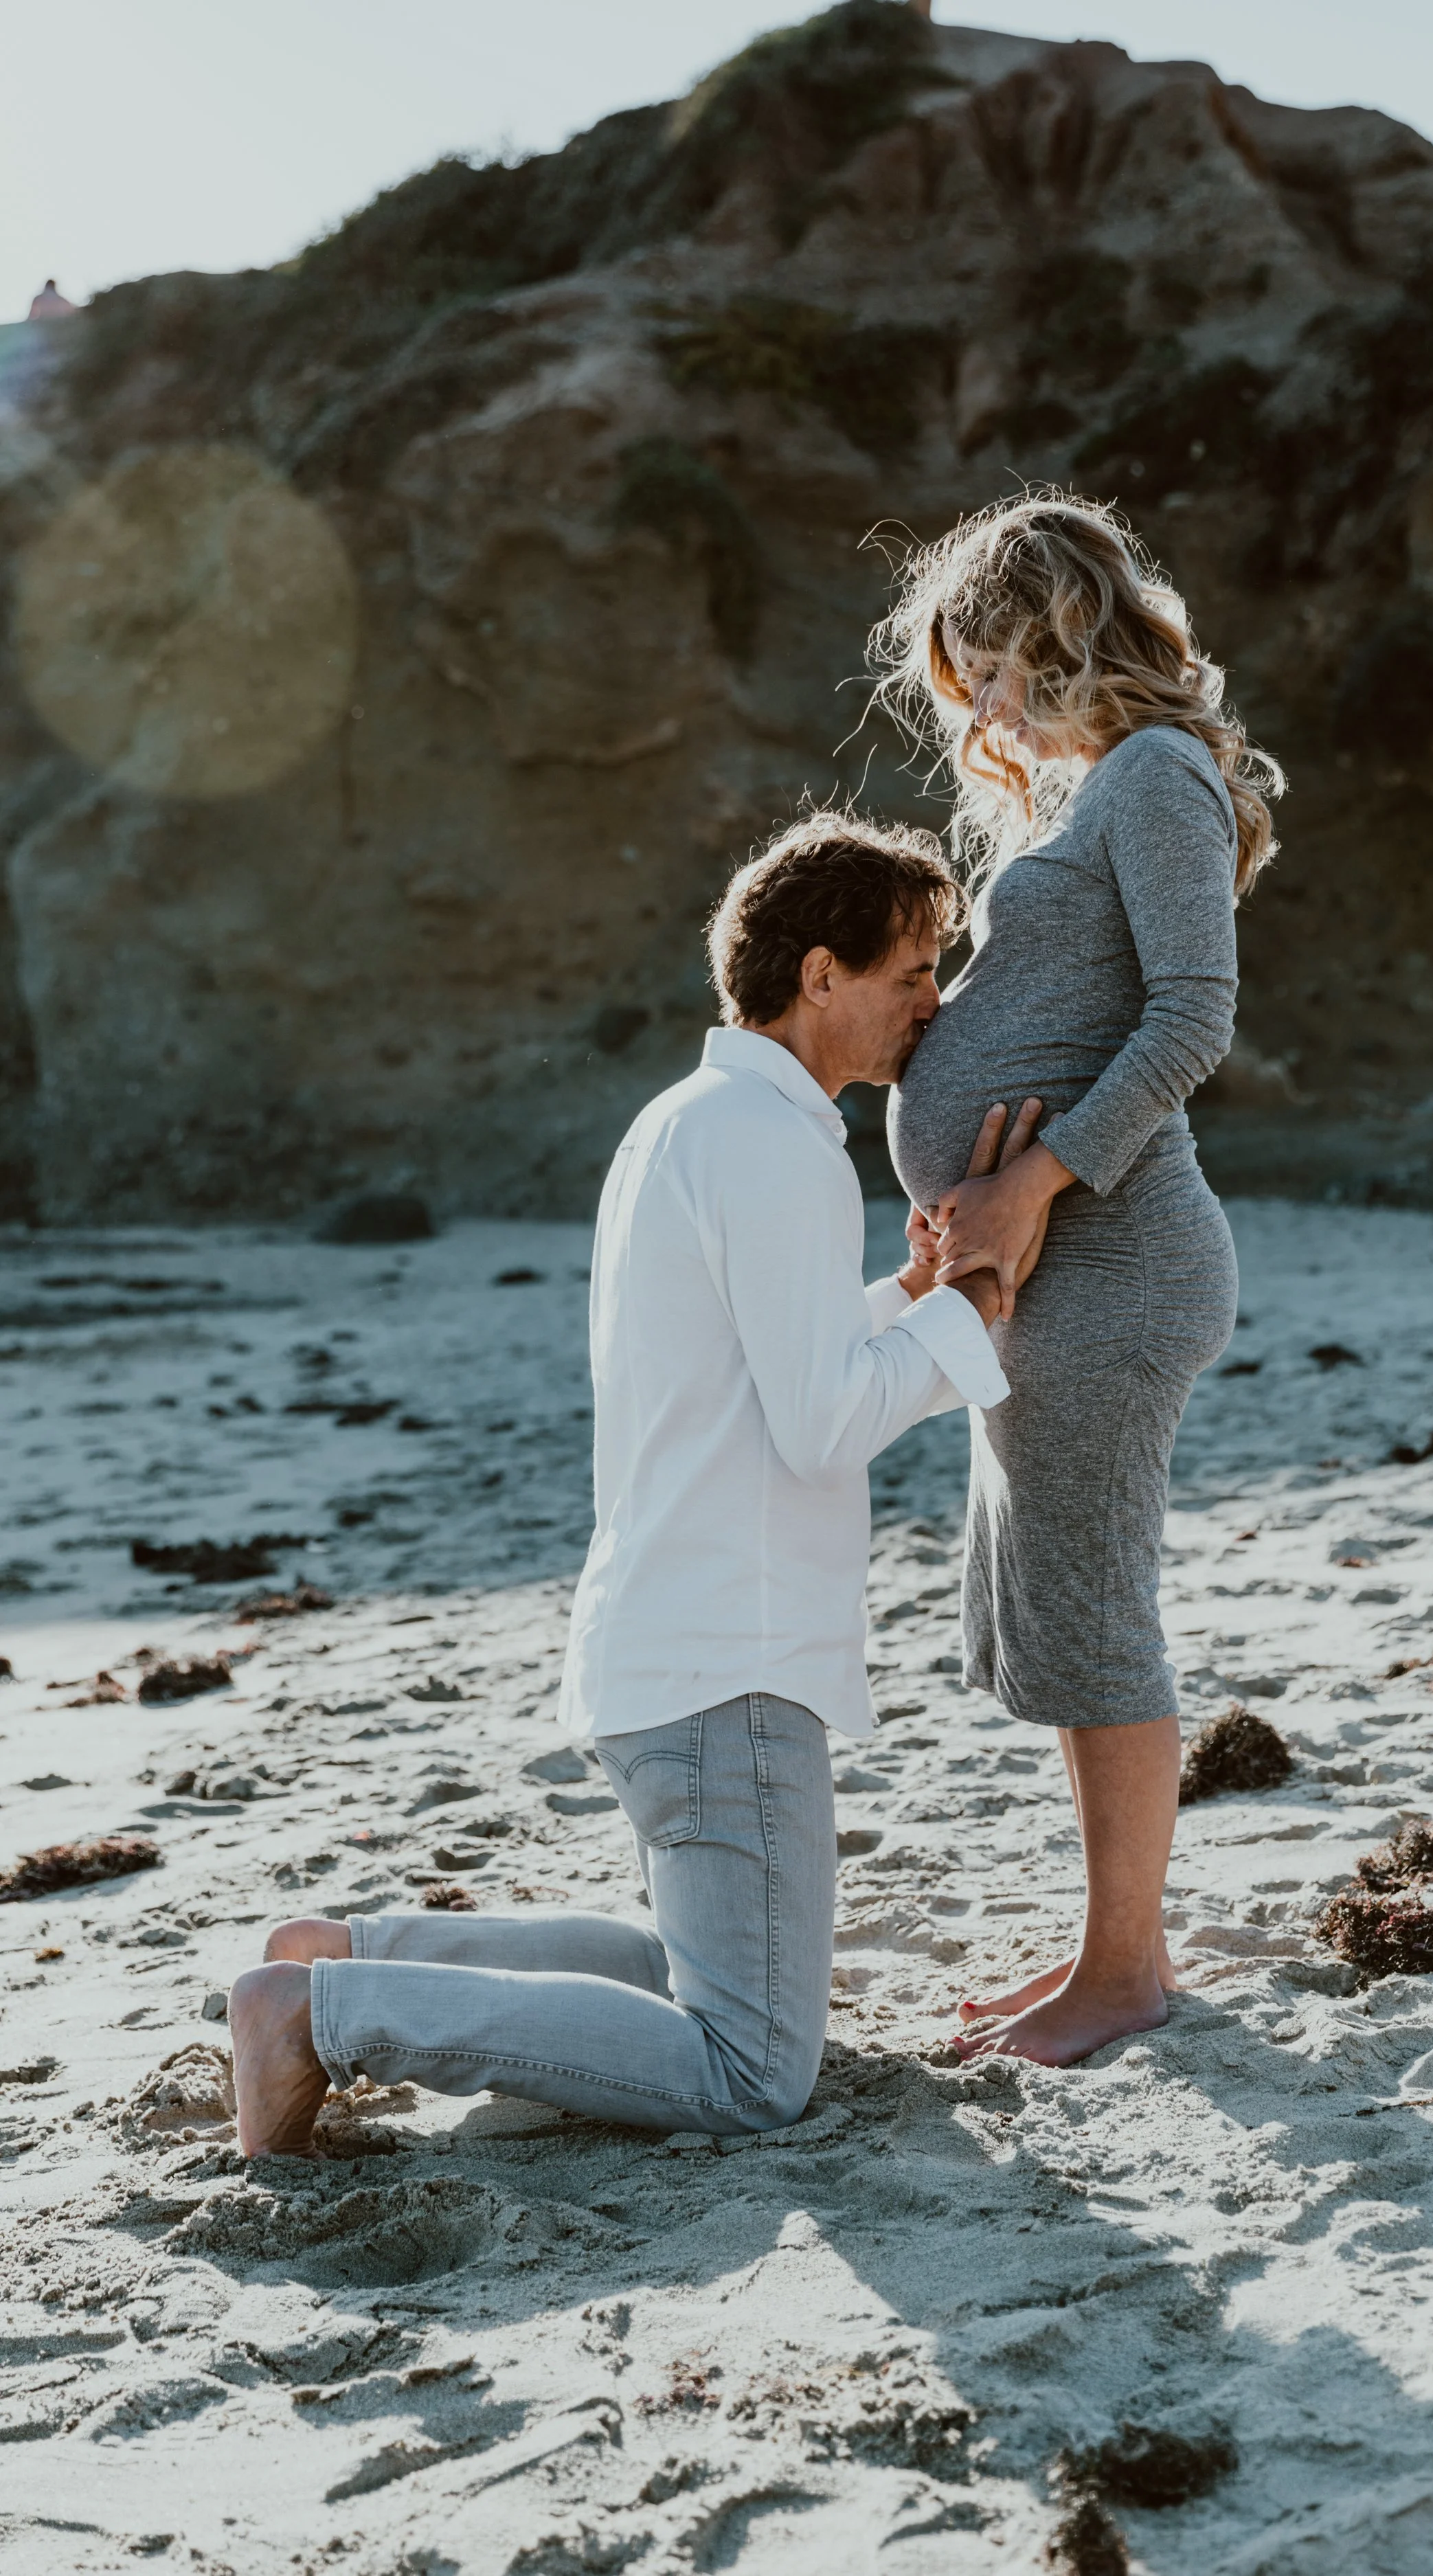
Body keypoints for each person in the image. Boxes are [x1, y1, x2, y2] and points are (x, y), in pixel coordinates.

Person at [227, 811, 1028, 2155]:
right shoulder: (776, 1148)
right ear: (816, 974)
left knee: (687, 1978)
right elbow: (822, 1422)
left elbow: (754, 1359)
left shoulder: (687, 1123)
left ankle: (343, 1952)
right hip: (728, 1665)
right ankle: (323, 2012)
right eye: (906, 971)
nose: (927, 1004)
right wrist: (976, 1313)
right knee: (749, 2069)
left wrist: (901, 1295)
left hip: (669, 1646)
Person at [872, 490, 1285, 2067]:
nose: (969, 703)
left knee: (1096, 1614)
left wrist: (1031, 1181)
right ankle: (1100, 1951)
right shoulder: (1081, 795)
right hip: (1037, 1277)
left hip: (1116, 1266)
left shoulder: (1157, 776)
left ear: (1042, 630)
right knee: (1053, 1607)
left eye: (975, 661)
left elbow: (1192, 1017)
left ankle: (1124, 1974)